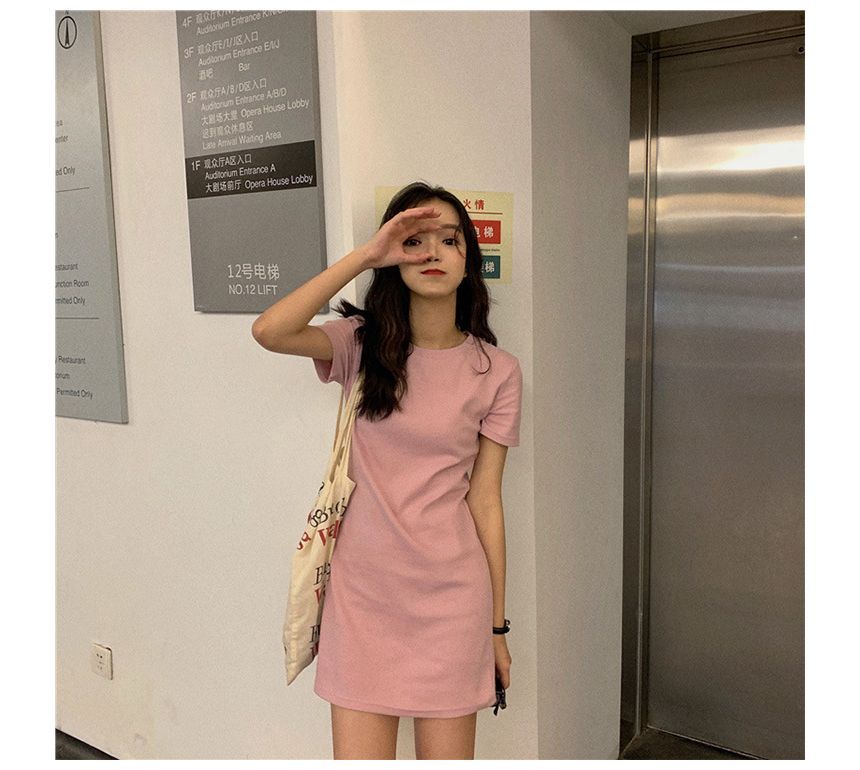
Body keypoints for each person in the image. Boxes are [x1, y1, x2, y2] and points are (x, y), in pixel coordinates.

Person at [252, 182, 522, 760]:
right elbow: (270, 331)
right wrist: (366, 255)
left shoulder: (496, 371)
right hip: (363, 598)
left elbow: (486, 501)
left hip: (452, 601)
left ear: (469, 259)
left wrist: (497, 630)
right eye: (413, 240)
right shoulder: (359, 345)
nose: (431, 253)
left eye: (448, 239)